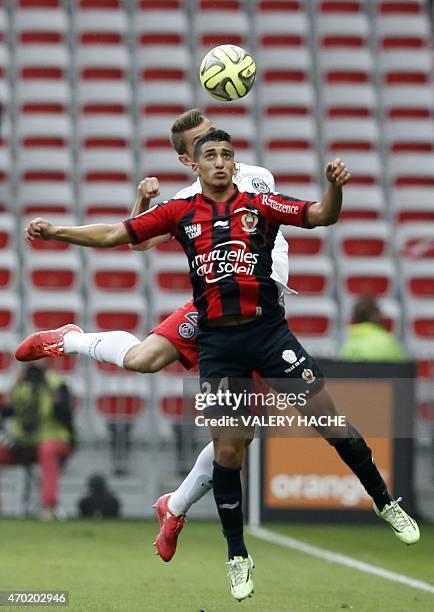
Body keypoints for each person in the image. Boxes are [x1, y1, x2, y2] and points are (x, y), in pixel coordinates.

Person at [19, 131, 419, 601]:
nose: (221, 162)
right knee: (223, 446)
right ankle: (236, 555)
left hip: (268, 334)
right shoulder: (181, 210)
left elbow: (319, 215)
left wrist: (336, 187)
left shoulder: (260, 200)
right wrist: (57, 232)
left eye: (227, 154)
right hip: (217, 342)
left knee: (327, 421)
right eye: (210, 155)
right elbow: (120, 235)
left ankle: (385, 502)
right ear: (193, 165)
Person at [16, 108, 290, 560]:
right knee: (145, 360)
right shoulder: (185, 200)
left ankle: (174, 506)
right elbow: (135, 240)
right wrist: (141, 202)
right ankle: (69, 339)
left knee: (238, 440)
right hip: (214, 309)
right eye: (203, 142)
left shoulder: (259, 176)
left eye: (217, 138)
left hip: (264, 316)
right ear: (189, 160)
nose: (215, 145)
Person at [0, 363, 74, 518]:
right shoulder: (20, 386)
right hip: (24, 443)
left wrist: (48, 388)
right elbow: (5, 413)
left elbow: (65, 415)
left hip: (55, 441)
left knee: (47, 450)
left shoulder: (57, 384)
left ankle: (48, 506)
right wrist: (15, 386)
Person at [341, 296, 406, 362]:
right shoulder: (387, 341)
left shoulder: (348, 345)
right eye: (379, 313)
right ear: (374, 316)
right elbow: (401, 369)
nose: (382, 316)